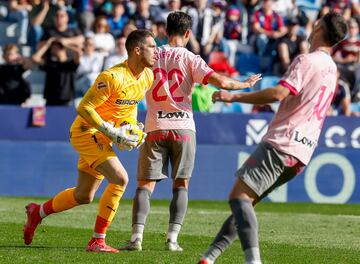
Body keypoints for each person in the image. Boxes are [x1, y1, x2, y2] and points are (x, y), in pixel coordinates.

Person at [198, 12, 348, 264]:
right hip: (302, 154)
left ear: (319, 27)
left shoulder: (307, 60)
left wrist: (232, 97)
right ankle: (209, 257)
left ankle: (253, 261)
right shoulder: (333, 69)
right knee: (247, 203)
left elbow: (279, 93)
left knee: (239, 198)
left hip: (282, 142)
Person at [121, 11, 261, 252]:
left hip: (154, 127)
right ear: (188, 34)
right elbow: (222, 82)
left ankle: (136, 238)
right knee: (181, 185)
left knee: (145, 186)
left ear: (165, 31)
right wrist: (245, 84)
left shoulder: (151, 55)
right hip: (184, 128)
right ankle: (172, 239)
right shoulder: (191, 58)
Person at [23, 29, 156, 252]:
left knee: (83, 195)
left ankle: (38, 212)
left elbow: (129, 106)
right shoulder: (112, 77)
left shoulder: (147, 77)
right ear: (137, 50)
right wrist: (110, 131)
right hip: (87, 132)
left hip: (104, 136)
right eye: (152, 47)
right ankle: (97, 240)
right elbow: (84, 107)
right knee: (120, 179)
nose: (156, 52)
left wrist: (129, 127)